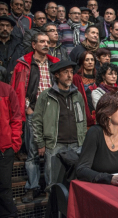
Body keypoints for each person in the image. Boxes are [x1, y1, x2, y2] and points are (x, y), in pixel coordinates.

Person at [11, 32, 60, 203]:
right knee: (32, 153)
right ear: (34, 45)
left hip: (52, 114)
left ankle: (50, 189)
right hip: (34, 113)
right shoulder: (24, 64)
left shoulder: (55, 64)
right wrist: (28, 110)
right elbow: (17, 89)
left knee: (51, 153)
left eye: (48, 41)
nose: (46, 44)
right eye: (42, 41)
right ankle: (32, 188)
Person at [32, 61, 87, 191]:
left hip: (76, 145)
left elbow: (82, 119)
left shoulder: (77, 95)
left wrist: (83, 139)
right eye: (65, 72)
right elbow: (37, 120)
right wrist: (40, 143)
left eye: (71, 72)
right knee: (53, 183)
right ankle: (54, 210)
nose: (69, 75)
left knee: (76, 183)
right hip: (55, 145)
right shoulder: (46, 95)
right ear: (57, 75)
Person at [76, 92, 118, 186]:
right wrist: (110, 178)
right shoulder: (95, 132)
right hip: (99, 185)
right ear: (109, 113)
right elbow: (81, 170)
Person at [0, 81, 22, 218]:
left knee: (4, 187)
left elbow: (16, 118)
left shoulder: (6, 90)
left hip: (4, 149)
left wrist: (14, 144)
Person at [73, 51, 97, 127]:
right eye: (87, 60)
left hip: (99, 116)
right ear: (82, 62)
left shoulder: (99, 78)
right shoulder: (76, 78)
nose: (90, 62)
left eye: (92, 60)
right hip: (84, 116)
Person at [0, 16, 24, 83]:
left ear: (12, 28)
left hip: (14, 81)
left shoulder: (19, 45)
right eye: (2, 25)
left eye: (7, 26)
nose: (5, 29)